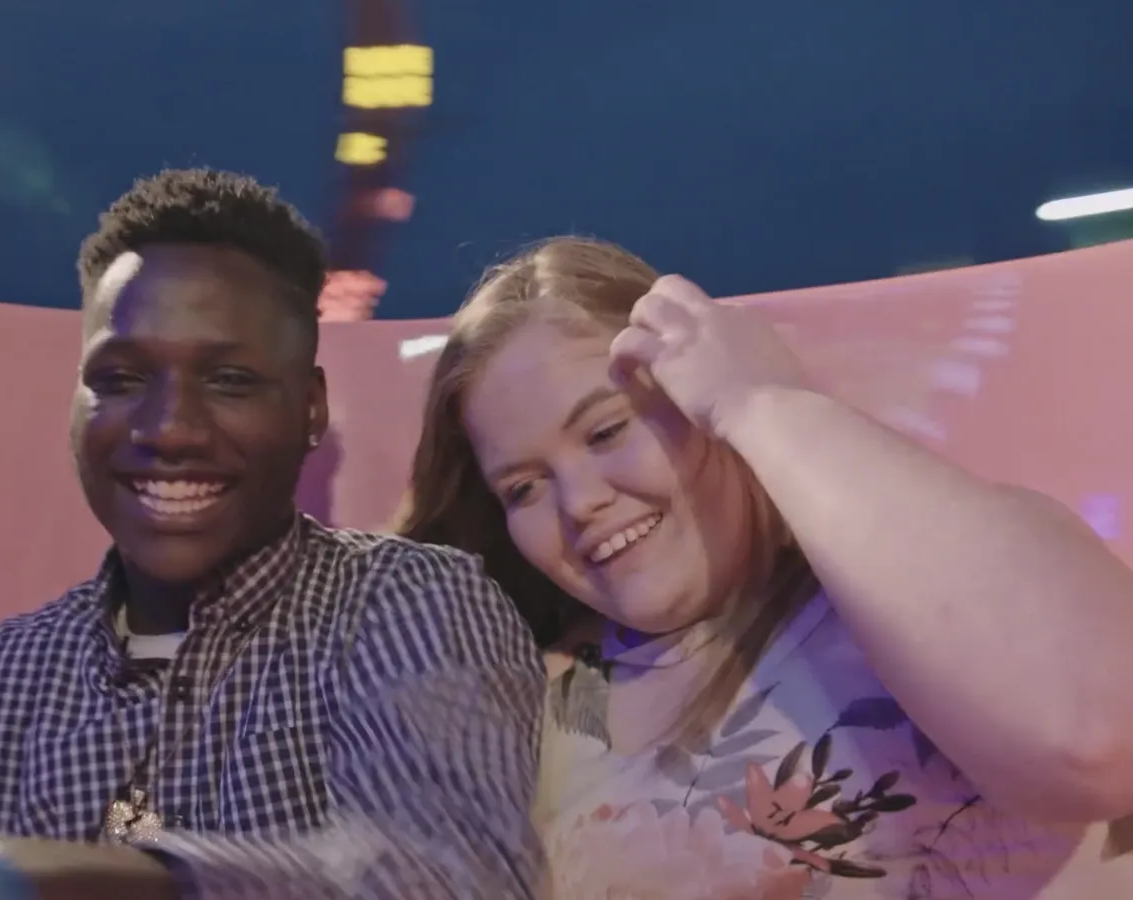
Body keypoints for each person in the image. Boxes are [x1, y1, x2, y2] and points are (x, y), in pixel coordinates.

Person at [0, 169, 546, 900]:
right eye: (122, 378)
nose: (168, 429)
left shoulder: (410, 602)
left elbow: (453, 877)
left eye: (229, 379)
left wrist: (79, 883)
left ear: (311, 410)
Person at [395, 236, 1133, 899]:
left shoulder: (921, 588)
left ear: (699, 393)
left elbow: (1093, 731)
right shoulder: (517, 713)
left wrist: (764, 400)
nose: (579, 502)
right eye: (522, 488)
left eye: (607, 430)